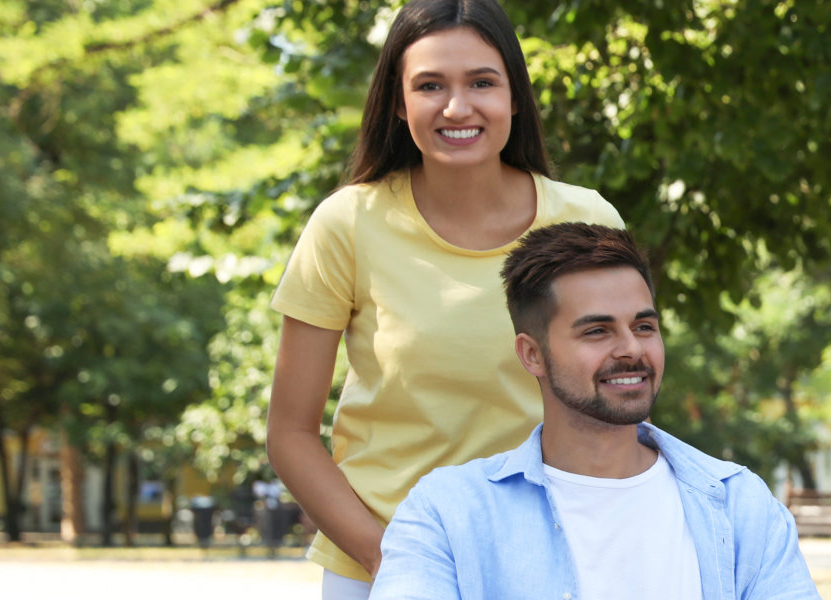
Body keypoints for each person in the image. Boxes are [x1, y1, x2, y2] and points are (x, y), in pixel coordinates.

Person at [265, 0, 625, 597]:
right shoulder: (347, 223)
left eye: (482, 82)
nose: (457, 107)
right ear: (398, 104)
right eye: (430, 85)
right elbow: (291, 435)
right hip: (381, 565)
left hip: (557, 559)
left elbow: (618, 398)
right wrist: (396, 562)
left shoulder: (586, 219)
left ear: (514, 97)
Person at [369, 223, 819, 600]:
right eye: (597, 331)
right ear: (532, 355)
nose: (630, 349)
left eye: (644, 326)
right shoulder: (448, 514)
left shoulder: (740, 505)